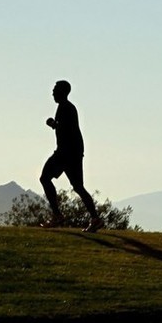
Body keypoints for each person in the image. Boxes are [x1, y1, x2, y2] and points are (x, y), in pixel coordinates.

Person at [39, 80, 104, 233]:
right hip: (73, 153)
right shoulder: (66, 107)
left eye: (55, 90)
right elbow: (67, 128)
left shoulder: (66, 108)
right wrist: (55, 125)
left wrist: (53, 124)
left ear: (62, 92)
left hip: (65, 153)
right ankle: (95, 219)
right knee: (78, 187)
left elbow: (66, 129)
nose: (52, 93)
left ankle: (57, 215)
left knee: (45, 178)